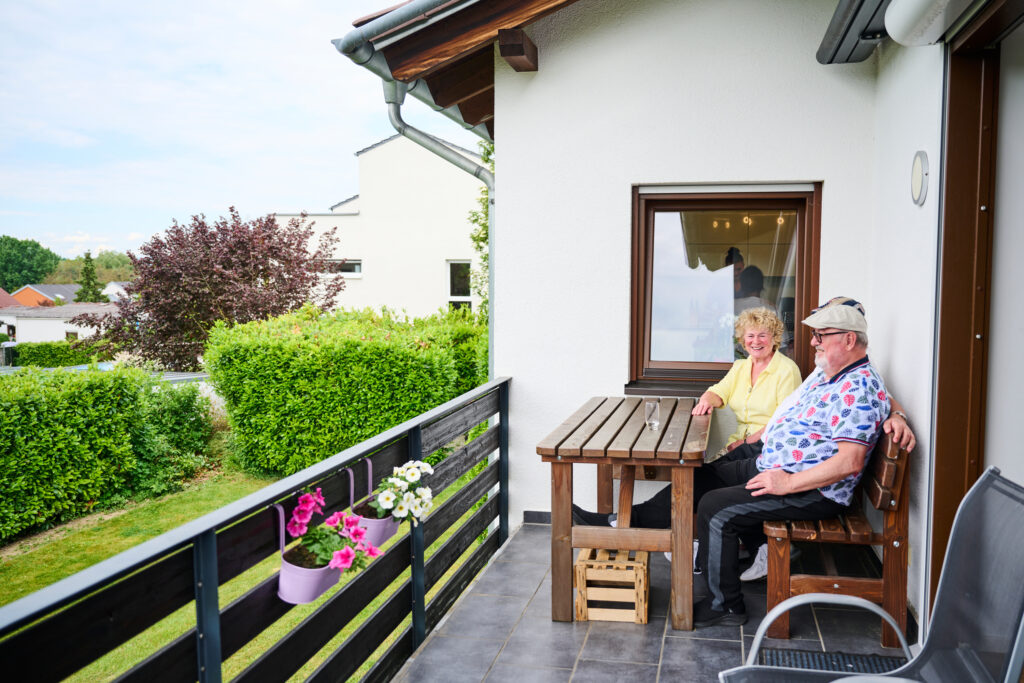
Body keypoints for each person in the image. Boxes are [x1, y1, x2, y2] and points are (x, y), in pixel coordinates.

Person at [573, 297, 916, 628]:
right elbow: (883, 396)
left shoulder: (857, 386)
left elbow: (850, 462)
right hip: (772, 461)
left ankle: (726, 605)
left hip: (811, 488)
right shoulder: (834, 371)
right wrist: (897, 412)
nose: (814, 343)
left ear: (849, 339)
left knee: (716, 508)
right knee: (698, 478)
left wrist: (787, 483)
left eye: (820, 336)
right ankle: (619, 520)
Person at [693, 307, 801, 457]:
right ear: (743, 339)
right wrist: (705, 401)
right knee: (698, 472)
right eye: (750, 335)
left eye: (762, 335)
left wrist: (744, 443)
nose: (755, 341)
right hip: (737, 446)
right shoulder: (741, 367)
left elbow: (784, 421)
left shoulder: (787, 370)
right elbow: (718, 392)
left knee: (704, 476)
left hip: (768, 449)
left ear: (774, 337)